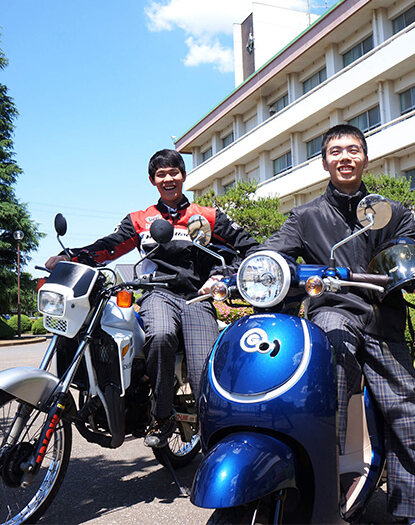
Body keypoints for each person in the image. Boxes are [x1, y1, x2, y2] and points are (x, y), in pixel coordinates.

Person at [261, 124, 415, 524]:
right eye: (335, 151)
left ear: (365, 158)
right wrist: (235, 273)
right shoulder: (305, 216)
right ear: (324, 162)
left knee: (405, 413)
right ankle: (322, 495)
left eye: (353, 150)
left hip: (384, 320)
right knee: (329, 380)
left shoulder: (388, 211)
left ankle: (410, 511)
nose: (345, 158)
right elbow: (271, 254)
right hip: (334, 311)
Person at [45, 149, 259, 447]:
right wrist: (71, 256)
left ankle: (217, 438)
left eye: (174, 172)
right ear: (152, 180)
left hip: (197, 298)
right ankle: (161, 416)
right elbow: (108, 247)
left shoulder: (207, 216)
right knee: (160, 335)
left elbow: (250, 248)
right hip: (157, 293)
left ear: (183, 176)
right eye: (161, 174)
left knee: (203, 370)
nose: (168, 178)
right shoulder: (140, 219)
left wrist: (222, 278)